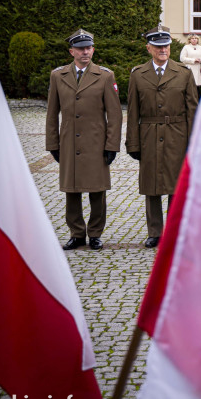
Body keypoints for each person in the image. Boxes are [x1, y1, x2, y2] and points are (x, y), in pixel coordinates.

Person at [46, 29, 122, 251]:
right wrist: (53, 144)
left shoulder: (105, 76)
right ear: (72, 51)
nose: (85, 52)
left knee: (97, 190)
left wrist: (112, 145)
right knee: (72, 189)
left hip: (96, 142)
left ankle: (95, 233)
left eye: (88, 48)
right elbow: (52, 113)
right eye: (80, 49)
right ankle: (77, 233)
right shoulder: (58, 76)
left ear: (93, 49)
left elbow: (115, 114)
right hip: (69, 141)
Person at [126, 25, 199, 248]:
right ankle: (155, 232)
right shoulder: (138, 75)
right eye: (158, 47)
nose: (163, 50)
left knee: (176, 187)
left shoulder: (183, 74)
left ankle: (175, 231)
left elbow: (193, 110)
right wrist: (133, 143)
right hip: (149, 134)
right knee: (152, 186)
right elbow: (132, 113)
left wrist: (194, 143)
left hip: (177, 135)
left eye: (166, 46)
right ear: (149, 48)